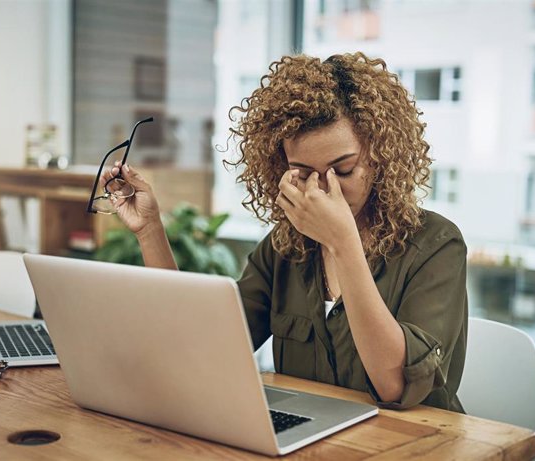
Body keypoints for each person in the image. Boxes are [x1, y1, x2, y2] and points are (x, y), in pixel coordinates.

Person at [102, 52, 467, 412]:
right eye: (303, 173)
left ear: (379, 155)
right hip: (313, 443)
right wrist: (150, 230)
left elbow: (395, 386)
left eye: (343, 170)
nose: (324, 190)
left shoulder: (435, 245)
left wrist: (343, 243)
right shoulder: (286, 247)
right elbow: (195, 349)